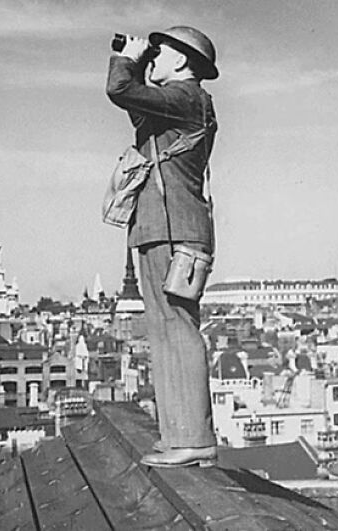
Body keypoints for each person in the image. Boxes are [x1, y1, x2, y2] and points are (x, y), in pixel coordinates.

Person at [106, 26, 219, 468]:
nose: (154, 56)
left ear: (184, 60)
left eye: (161, 51)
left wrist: (130, 61)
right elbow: (136, 107)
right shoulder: (173, 106)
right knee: (164, 333)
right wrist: (141, 69)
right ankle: (179, 438)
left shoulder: (188, 96)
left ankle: (194, 438)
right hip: (158, 228)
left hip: (175, 231)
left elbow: (119, 89)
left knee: (179, 331)